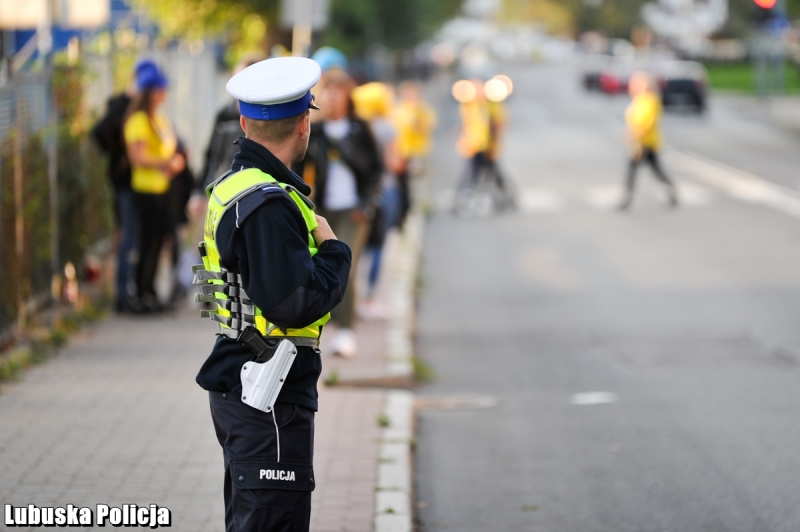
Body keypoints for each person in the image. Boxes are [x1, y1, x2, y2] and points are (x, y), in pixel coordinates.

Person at [193, 56, 351, 532]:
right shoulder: (268, 205)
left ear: (243, 122)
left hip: (249, 381)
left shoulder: (234, 188)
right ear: (305, 125)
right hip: (269, 394)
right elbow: (293, 301)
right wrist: (334, 251)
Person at [296, 65, 382, 358]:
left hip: (353, 210)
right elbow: (299, 166)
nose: (333, 98)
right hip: (324, 209)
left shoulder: (359, 129)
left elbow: (376, 170)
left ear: (348, 96)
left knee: (347, 268)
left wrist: (366, 204)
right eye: (328, 92)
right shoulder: (315, 131)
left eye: (339, 92)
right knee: (320, 267)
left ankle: (347, 331)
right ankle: (328, 326)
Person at [123, 61, 186, 312]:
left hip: (162, 189)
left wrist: (176, 162)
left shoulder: (158, 119)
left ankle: (150, 292)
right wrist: (166, 161)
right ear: (150, 91)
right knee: (147, 243)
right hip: (146, 191)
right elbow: (138, 158)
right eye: (160, 89)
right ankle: (139, 293)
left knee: (160, 242)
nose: (164, 94)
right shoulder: (138, 120)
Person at [352, 81, 404, 316]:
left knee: (355, 246)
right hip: (385, 189)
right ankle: (370, 298)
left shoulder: (356, 127)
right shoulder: (387, 128)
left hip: (359, 193)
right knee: (378, 247)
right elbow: (394, 163)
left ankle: (351, 296)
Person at [91, 65, 138, 312]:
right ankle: (121, 294)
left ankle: (128, 290)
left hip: (135, 183)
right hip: (124, 183)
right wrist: (119, 154)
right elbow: (99, 132)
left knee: (132, 238)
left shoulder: (135, 107)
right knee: (127, 237)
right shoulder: (121, 105)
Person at [619, 71, 678, 210]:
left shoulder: (651, 100)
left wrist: (633, 135)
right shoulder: (639, 100)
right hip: (640, 143)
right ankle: (671, 191)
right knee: (654, 170)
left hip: (646, 143)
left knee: (634, 169)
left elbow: (647, 123)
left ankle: (627, 198)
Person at [393, 81, 437, 225]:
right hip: (404, 151)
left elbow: (425, 127)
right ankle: (410, 207)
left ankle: (420, 206)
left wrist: (416, 113)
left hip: (419, 150)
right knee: (407, 183)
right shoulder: (399, 110)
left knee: (420, 182)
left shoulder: (424, 110)